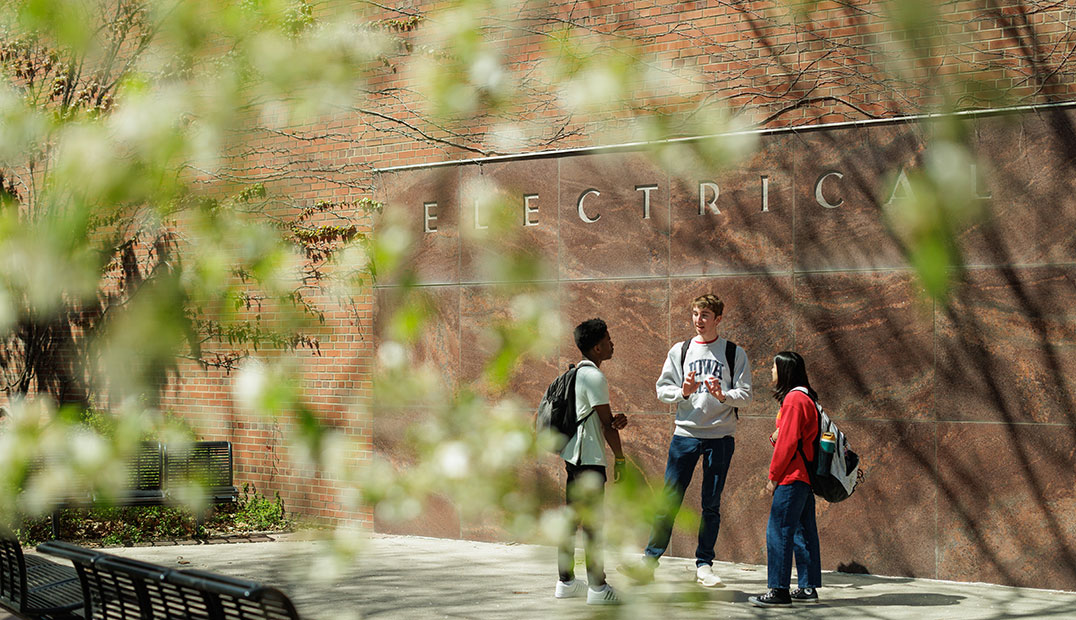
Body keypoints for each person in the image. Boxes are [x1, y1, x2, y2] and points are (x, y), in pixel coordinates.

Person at [628, 293, 752, 587]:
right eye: (695, 314)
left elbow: (746, 395)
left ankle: (704, 565)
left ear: (718, 319)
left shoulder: (734, 353)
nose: (699, 320)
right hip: (684, 435)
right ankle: (650, 560)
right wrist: (683, 392)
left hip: (720, 437)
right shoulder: (680, 350)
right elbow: (662, 390)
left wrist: (724, 395)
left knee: (711, 503)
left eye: (705, 315)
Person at [554, 318, 628, 605]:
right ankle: (598, 587)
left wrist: (613, 420)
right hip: (589, 459)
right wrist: (620, 458)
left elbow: (603, 419)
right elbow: (607, 426)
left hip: (572, 456)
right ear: (597, 348)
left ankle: (566, 581)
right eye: (608, 340)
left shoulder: (573, 375)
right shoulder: (595, 377)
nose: (612, 344)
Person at [749, 351, 823, 606]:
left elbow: (788, 444)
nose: (771, 371)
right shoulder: (807, 398)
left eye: (774, 367)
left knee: (778, 531)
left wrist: (773, 478)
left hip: (791, 477)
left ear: (785, 371)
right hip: (805, 477)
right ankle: (807, 587)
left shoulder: (793, 400)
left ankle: (779, 590)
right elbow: (791, 436)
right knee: (803, 531)